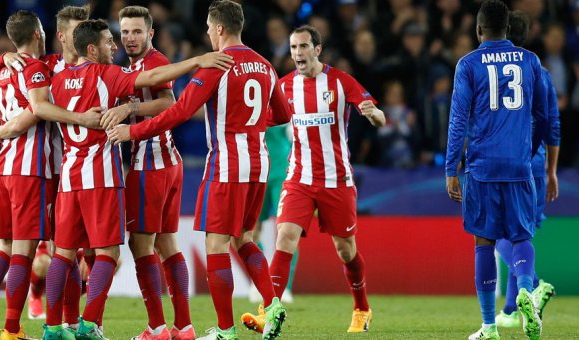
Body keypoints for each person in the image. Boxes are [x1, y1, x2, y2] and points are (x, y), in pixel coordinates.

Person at [108, 1, 292, 339]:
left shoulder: (215, 66)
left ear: (219, 29)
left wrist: (131, 130)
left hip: (226, 165)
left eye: (209, 28)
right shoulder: (266, 65)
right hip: (259, 164)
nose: (208, 34)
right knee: (244, 239)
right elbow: (282, 115)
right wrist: (247, 125)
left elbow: (177, 112)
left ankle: (224, 330)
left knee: (216, 245)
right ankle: (273, 303)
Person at [41, 18, 232, 340]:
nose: (119, 43)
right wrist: (197, 61)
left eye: (133, 32)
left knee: (64, 252)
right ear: (91, 48)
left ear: (150, 33)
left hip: (72, 177)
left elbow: (39, 106)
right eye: (112, 38)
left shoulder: (57, 78)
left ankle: (53, 326)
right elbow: (156, 79)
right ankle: (97, 325)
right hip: (104, 175)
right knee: (113, 253)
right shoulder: (109, 74)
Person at [240, 25, 386, 335]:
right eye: (293, 48)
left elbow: (379, 115)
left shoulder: (340, 82)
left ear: (317, 50)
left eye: (304, 47)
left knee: (345, 250)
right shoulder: (282, 88)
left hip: (337, 180)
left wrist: (373, 114)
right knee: (284, 237)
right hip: (299, 178)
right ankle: (270, 311)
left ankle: (361, 307)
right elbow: (260, 121)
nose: (298, 53)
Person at [0, 10, 91, 340]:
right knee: (29, 250)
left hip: (4, 168)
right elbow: (36, 108)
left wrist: (2, 57)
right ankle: (12, 329)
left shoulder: (4, 72)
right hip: (31, 169)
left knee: (6, 247)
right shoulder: (37, 69)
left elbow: (13, 76)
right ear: (38, 33)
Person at [444, 1, 549, 339]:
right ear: (507, 28)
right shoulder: (530, 61)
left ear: (478, 29)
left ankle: (489, 326)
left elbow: (458, 119)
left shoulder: (468, 63)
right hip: (519, 166)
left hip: (482, 167)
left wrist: (450, 167)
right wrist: (527, 152)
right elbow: (543, 117)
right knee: (521, 236)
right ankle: (525, 290)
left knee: (484, 242)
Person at [98, 6, 194, 340]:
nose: (129, 38)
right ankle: (183, 326)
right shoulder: (132, 68)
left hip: (149, 163)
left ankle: (156, 327)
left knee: (141, 244)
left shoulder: (155, 63)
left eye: (137, 31)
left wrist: (130, 107)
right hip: (168, 162)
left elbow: (170, 102)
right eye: (124, 31)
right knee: (167, 243)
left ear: (150, 33)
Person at [494, 10, 559, 329]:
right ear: (528, 35)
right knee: (523, 234)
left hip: (504, 158)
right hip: (536, 159)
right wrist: (551, 169)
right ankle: (510, 310)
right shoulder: (540, 70)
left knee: (500, 233)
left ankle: (532, 285)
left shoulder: (491, 71)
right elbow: (552, 122)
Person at [248, 124, 297, 305]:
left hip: (281, 169)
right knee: (251, 231)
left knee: (288, 229)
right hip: (256, 168)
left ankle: (285, 287)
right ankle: (259, 282)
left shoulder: (284, 97)